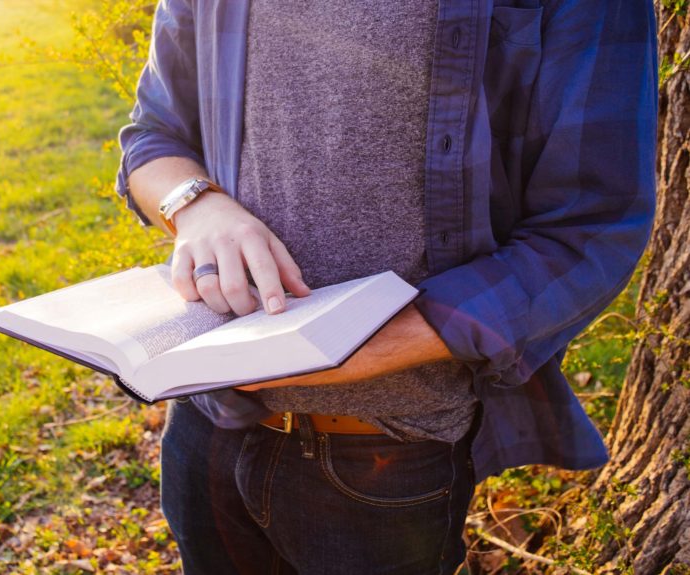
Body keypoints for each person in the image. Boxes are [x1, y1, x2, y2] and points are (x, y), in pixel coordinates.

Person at [115, 1, 658, 573]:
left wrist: (360, 349)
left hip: (388, 454)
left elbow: (590, 228)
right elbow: (153, 137)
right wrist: (199, 209)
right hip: (208, 422)